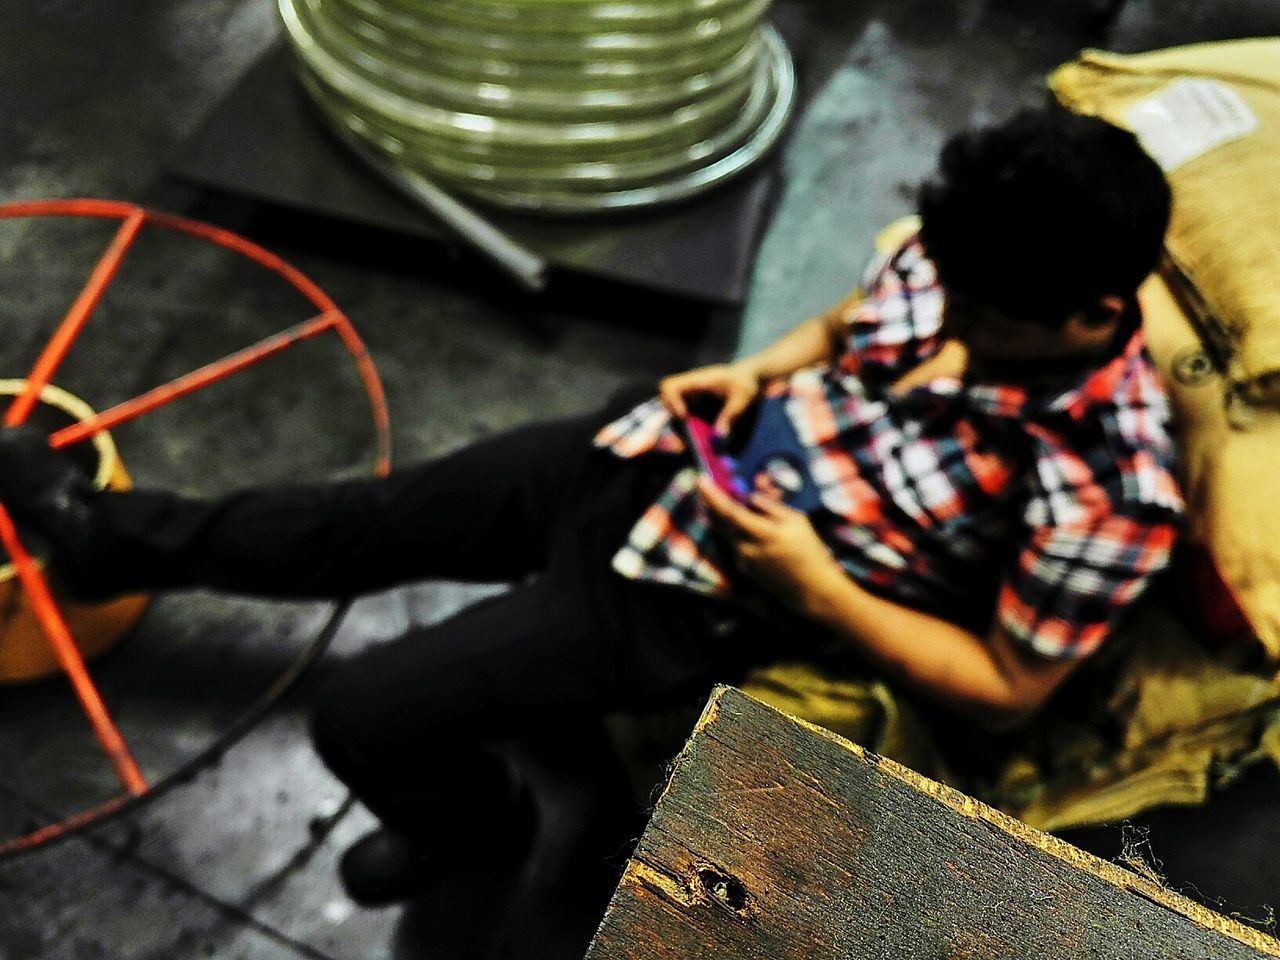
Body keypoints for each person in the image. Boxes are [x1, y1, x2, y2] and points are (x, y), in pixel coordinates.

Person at [0, 108, 1181, 907]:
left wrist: (815, 585)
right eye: (946, 287)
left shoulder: (1108, 490)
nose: (949, 326)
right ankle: (106, 543)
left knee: (364, 713)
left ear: (1089, 312)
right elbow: (842, 326)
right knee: (357, 525)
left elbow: (1006, 683)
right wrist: (758, 371)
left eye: (989, 321)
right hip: (656, 450)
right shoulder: (968, 260)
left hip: (703, 598)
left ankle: (484, 838)